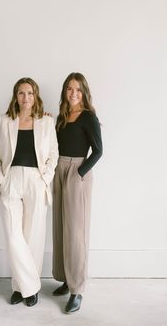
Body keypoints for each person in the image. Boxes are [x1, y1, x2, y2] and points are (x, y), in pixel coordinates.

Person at [0, 77, 58, 307]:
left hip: (36, 181)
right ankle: (30, 286)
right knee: (13, 234)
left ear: (35, 95)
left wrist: (44, 179)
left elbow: (53, 155)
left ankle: (21, 288)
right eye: (21, 93)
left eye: (30, 93)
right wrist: (1, 181)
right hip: (12, 180)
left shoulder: (46, 122)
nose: (25, 97)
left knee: (33, 236)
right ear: (15, 96)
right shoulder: (4, 121)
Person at [52, 72, 103, 314]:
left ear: (84, 92)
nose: (73, 94)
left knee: (76, 232)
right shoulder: (62, 116)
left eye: (78, 90)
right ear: (65, 91)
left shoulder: (88, 117)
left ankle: (77, 289)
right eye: (70, 89)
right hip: (58, 169)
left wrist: (79, 172)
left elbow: (98, 151)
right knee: (61, 227)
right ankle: (66, 278)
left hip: (76, 172)